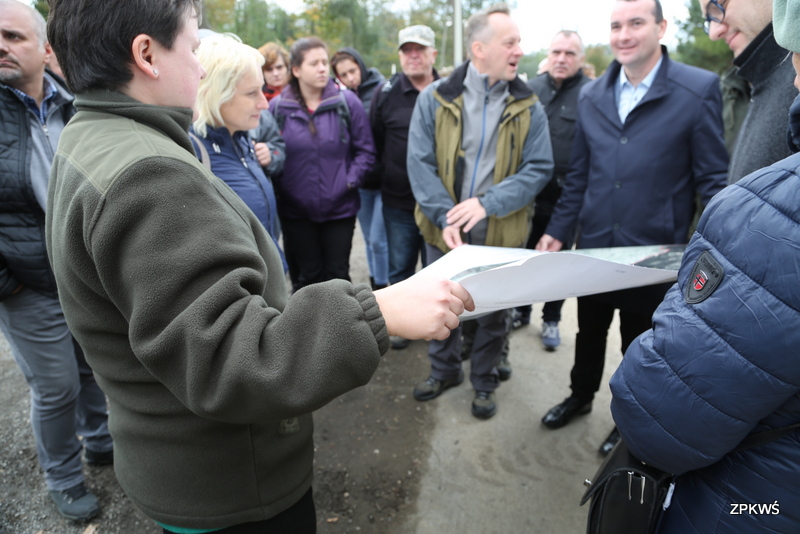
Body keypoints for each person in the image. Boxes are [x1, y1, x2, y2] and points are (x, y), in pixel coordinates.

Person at [44, 1, 474, 532]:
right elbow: (230, 359)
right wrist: (378, 311)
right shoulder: (150, 175)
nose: (200, 68)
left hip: (185, 468)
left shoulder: (93, 133)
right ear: (147, 54)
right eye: (194, 46)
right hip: (232, 487)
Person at [609, 2, 800, 530]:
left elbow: (658, 416)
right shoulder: (756, 81)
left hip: (751, 501)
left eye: (719, 3)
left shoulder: (710, 90)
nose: (714, 26)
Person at [536, 0, 728, 454]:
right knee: (588, 334)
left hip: (655, 256)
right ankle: (580, 397)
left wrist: (711, 251)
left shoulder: (698, 89)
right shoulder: (591, 95)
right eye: (616, 25)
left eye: (635, 23)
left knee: (640, 347)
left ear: (661, 27)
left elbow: (713, 183)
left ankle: (627, 422)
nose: (623, 34)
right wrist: (559, 230)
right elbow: (579, 175)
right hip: (596, 248)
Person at [408, 3, 553, 419]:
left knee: (493, 315)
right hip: (444, 233)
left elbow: (539, 167)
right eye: (510, 42)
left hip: (501, 234)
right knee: (440, 307)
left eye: (520, 42)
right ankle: (444, 370)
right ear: (479, 49)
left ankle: (485, 383)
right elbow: (420, 163)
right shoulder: (433, 99)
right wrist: (444, 215)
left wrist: (488, 203)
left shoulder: (530, 106)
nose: (519, 51)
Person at [0, 0, 112, 521]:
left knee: (91, 366)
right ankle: (65, 479)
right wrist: (10, 285)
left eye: (12, 35)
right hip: (26, 285)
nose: (1, 46)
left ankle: (100, 439)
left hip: (80, 275)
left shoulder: (74, 105)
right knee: (57, 386)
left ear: (46, 49)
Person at [271, 37, 376, 291]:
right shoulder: (277, 108)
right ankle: (307, 331)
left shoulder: (347, 103)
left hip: (339, 208)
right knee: (306, 278)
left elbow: (366, 151)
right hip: (296, 212)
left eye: (324, 62)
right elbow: (271, 151)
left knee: (338, 276)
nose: (322, 68)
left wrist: (349, 182)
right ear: (296, 70)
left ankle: (344, 330)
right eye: (314, 63)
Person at [513, 30, 591, 352]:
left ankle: (552, 318)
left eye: (570, 53)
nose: (561, 59)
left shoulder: (592, 94)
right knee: (525, 260)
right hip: (530, 199)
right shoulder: (532, 90)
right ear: (548, 54)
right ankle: (520, 310)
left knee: (557, 265)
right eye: (556, 52)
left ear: (581, 60)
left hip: (568, 200)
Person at [189, 34, 287, 271]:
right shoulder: (192, 151)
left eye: (262, 90)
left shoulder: (242, 138)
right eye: (252, 93)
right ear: (215, 94)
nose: (264, 104)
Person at [370, 24, 440, 350]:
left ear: (433, 54)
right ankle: (404, 324)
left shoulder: (448, 91)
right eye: (407, 50)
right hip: (398, 201)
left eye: (420, 49)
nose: (413, 56)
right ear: (400, 55)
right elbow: (376, 139)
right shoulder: (385, 94)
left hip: (440, 204)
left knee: (439, 269)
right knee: (401, 267)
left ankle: (439, 325)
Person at [702, 0, 796, 182]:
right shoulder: (757, 80)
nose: (714, 33)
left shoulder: (793, 82)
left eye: (717, 6)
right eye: (709, 19)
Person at [331, 47, 389, 291]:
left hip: (384, 179)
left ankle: (383, 285)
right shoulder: (342, 98)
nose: (350, 77)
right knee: (368, 239)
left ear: (361, 66)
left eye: (353, 70)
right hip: (363, 181)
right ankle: (377, 283)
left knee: (378, 239)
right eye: (343, 74)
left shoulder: (381, 89)